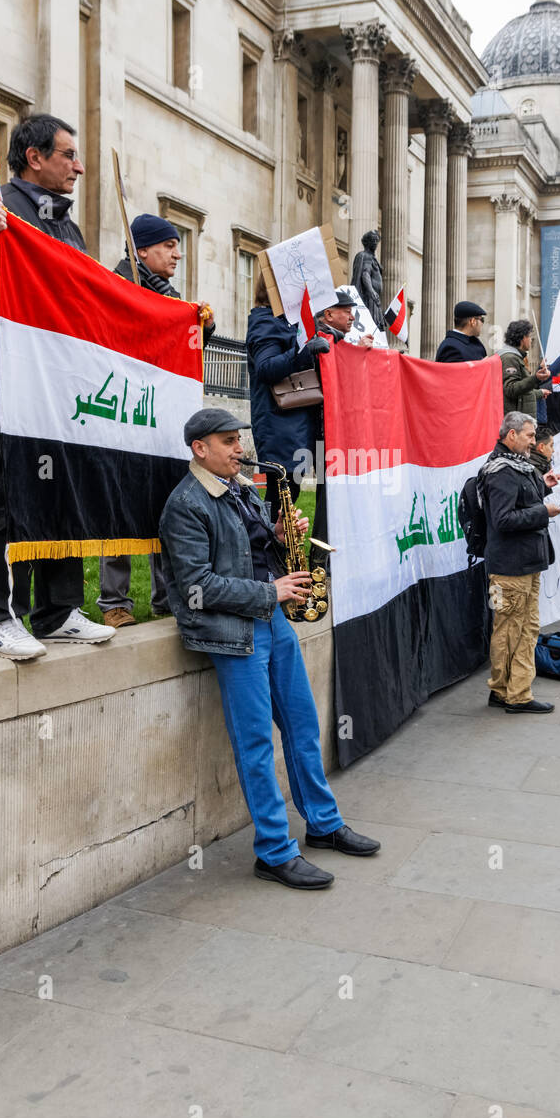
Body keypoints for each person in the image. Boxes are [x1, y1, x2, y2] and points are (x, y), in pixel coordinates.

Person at [158, 407, 380, 889]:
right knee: (256, 743)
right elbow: (196, 586)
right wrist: (270, 593)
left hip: (271, 622)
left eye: (239, 439)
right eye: (228, 441)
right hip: (234, 634)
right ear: (200, 448)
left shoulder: (241, 490)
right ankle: (275, 852)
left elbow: (257, 553)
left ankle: (323, 825)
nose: (240, 449)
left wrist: (283, 537)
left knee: (302, 725)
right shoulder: (186, 504)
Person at [0, 113, 115, 660]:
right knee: (16, 492)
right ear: (34, 157)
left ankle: (59, 611)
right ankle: (0, 616)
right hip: (11, 376)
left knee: (63, 491)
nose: (79, 166)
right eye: (68, 155)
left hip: (61, 384)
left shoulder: (68, 226)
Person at [99, 213, 217, 629]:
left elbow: (185, 348)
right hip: (125, 412)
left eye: (176, 245)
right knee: (118, 503)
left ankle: (167, 596)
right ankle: (114, 602)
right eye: (169, 246)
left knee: (164, 503)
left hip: (161, 417)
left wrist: (202, 324)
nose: (177, 253)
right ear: (141, 250)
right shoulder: (117, 284)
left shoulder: (168, 295)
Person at [479, 411, 560, 714]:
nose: (533, 440)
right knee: (518, 629)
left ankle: (503, 690)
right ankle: (517, 695)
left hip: (523, 564)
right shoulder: (501, 470)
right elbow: (503, 519)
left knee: (514, 627)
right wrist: (544, 512)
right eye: (529, 434)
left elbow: (522, 500)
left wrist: (545, 486)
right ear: (511, 435)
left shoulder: (516, 465)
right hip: (511, 568)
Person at [246, 275, 327, 522]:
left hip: (298, 426)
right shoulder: (264, 322)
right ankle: (269, 555)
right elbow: (266, 368)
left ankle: (279, 554)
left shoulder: (288, 322)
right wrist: (303, 352)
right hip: (280, 427)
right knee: (281, 499)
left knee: (292, 493)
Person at [308, 290, 372, 565]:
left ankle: (328, 556)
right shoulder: (321, 339)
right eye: (346, 311)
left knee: (336, 494)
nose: (352, 316)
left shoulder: (336, 340)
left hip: (336, 431)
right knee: (327, 497)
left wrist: (357, 347)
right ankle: (319, 560)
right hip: (325, 432)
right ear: (329, 314)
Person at [497, 320, 551, 418]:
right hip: (516, 422)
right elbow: (511, 389)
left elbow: (523, 392)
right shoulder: (510, 358)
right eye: (530, 336)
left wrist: (540, 393)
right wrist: (536, 378)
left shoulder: (515, 357)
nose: (531, 340)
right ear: (523, 338)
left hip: (519, 420)